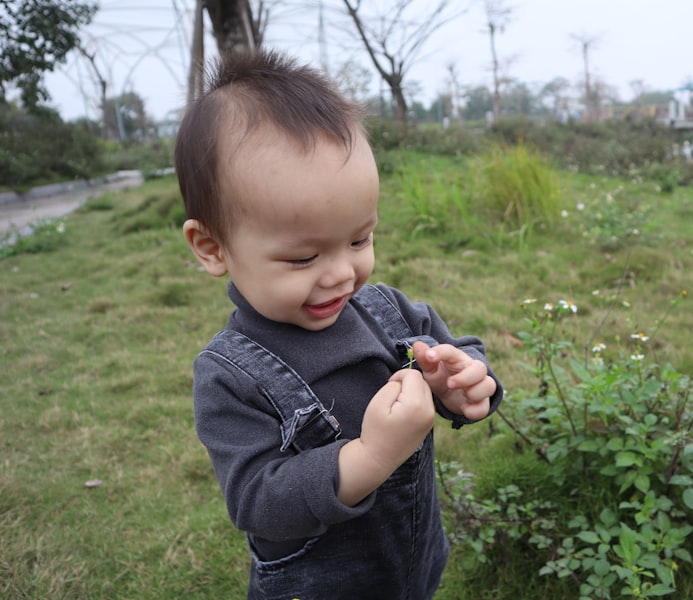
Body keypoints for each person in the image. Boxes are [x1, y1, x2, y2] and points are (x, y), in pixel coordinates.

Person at [174, 49, 503, 599]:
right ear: (212, 247)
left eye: (359, 239)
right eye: (303, 258)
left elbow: (460, 353)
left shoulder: (388, 312)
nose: (340, 274)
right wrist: (371, 456)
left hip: (411, 555)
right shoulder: (230, 376)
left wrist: (467, 382)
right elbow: (256, 499)